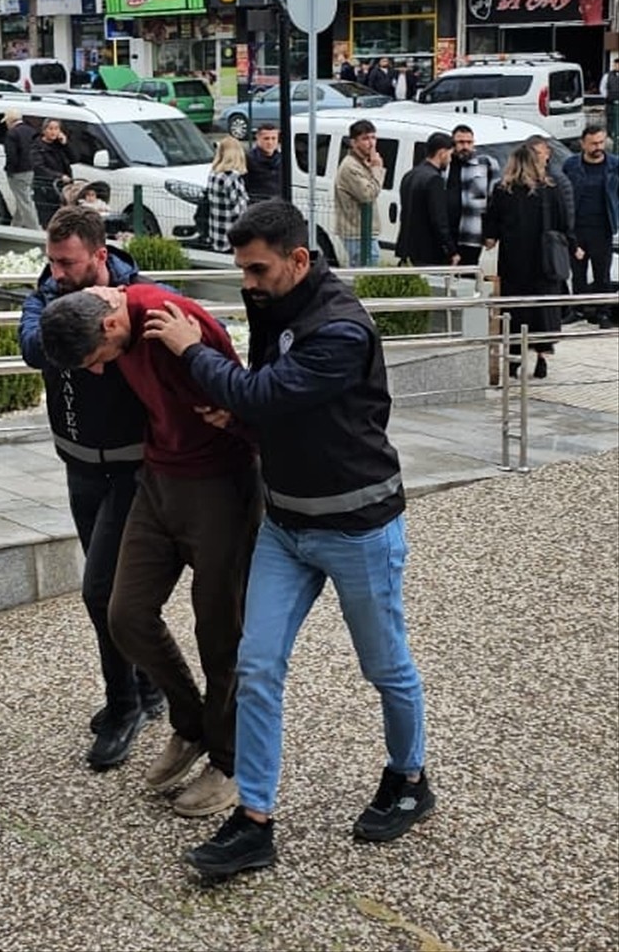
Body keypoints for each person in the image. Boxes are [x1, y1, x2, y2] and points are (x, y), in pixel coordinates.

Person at [142, 199, 432, 878]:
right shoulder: (277, 307)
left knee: (384, 667)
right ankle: (255, 821)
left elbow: (270, 395)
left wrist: (197, 359)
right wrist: (237, 417)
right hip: (287, 525)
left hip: (358, 528)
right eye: (241, 269)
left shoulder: (340, 329)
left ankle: (411, 779)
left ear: (298, 260)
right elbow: (274, 411)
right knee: (257, 665)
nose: (246, 281)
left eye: (257, 269)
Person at [39, 284, 261, 818]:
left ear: (111, 328)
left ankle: (231, 761)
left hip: (219, 484)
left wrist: (220, 397)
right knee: (126, 613)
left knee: (219, 629)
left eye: (97, 361)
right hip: (158, 479)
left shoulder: (172, 323)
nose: (98, 373)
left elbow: (240, 393)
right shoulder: (108, 314)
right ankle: (191, 725)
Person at [18, 207, 164, 770]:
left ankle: (124, 703)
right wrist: (65, 316)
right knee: (115, 593)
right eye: (51, 260)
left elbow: (178, 319)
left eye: (67, 263)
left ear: (100, 256)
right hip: (80, 467)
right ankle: (150, 685)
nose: (56, 272)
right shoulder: (45, 295)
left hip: (133, 473)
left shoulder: (136, 296)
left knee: (100, 592)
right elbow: (34, 344)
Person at [484, 137, 573, 378]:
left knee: (515, 310)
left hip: (514, 263)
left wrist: (491, 238)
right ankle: (543, 357)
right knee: (543, 309)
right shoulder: (551, 190)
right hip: (545, 263)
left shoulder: (503, 191)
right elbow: (564, 224)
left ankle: (514, 360)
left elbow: (491, 229)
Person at [562, 124, 618, 329]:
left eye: (601, 142)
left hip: (602, 227)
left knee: (601, 273)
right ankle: (577, 310)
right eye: (593, 143)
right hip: (577, 227)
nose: (598, 147)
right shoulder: (571, 165)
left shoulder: (614, 165)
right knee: (577, 272)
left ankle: (603, 313)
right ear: (583, 144)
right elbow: (564, 193)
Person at [396, 132, 460, 267]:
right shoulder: (434, 180)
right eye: (449, 155)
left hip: (407, 247)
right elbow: (439, 219)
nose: (450, 160)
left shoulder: (410, 175)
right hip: (428, 251)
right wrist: (451, 250)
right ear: (442, 153)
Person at [445, 124, 501, 265]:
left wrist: (491, 233)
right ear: (453, 144)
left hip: (472, 233)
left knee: (468, 278)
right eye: (461, 142)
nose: (465, 146)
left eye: (469, 142)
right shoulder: (445, 165)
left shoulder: (486, 164)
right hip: (447, 235)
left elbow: (495, 201)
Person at [333, 118, 384, 267]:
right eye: (365, 138)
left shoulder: (363, 162)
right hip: (357, 232)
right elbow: (368, 195)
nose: (371, 143)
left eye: (373, 137)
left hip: (365, 230)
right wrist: (377, 169)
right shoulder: (350, 166)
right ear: (353, 143)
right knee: (366, 273)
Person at [207, 137, 249, 253]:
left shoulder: (214, 174)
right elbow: (239, 210)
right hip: (232, 238)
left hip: (217, 234)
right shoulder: (231, 177)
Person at [32, 117, 74, 228]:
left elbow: (74, 158)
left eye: (56, 129)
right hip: (46, 189)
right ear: (44, 130)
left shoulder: (59, 145)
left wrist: (66, 144)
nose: (53, 132)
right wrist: (59, 176)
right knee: (49, 222)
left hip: (63, 188)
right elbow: (39, 167)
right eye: (50, 128)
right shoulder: (37, 146)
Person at [2, 110, 40, 230]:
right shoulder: (32, 131)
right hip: (31, 170)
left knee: (24, 201)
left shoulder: (12, 134)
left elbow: (11, 155)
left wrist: (10, 170)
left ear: (10, 120)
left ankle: (35, 230)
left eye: (6, 122)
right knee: (23, 197)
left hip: (18, 172)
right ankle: (15, 227)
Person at [245, 124, 282, 203]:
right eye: (266, 139)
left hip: (277, 204)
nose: (270, 142)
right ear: (258, 138)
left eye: (273, 138)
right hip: (256, 205)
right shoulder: (248, 159)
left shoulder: (282, 159)